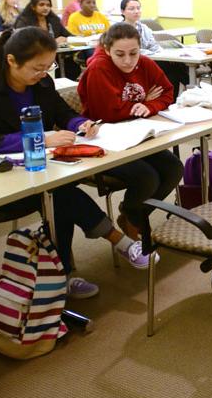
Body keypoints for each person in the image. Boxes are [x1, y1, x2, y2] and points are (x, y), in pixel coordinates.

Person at [0, 27, 158, 298]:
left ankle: (64, 276)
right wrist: (40, 139)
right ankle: (118, 244)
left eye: (49, 66)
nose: (44, 73)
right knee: (60, 194)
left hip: (35, 169)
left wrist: (82, 124)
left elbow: (63, 113)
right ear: (11, 61)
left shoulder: (42, 83)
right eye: (37, 67)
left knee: (58, 191)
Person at [78, 22, 183, 240]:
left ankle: (132, 215)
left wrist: (149, 106)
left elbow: (168, 92)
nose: (128, 61)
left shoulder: (144, 63)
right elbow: (107, 113)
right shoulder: (99, 68)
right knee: (147, 177)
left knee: (174, 169)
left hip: (138, 134)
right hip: (106, 140)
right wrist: (144, 99)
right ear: (107, 50)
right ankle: (136, 218)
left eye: (134, 53)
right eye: (120, 54)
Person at [120, 0, 188, 93]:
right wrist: (152, 54)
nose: (136, 11)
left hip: (151, 58)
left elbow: (154, 45)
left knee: (176, 64)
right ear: (122, 12)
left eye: (138, 8)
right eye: (131, 9)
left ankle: (181, 94)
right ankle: (193, 90)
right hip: (135, 61)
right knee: (171, 67)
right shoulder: (120, 29)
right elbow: (131, 51)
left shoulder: (144, 28)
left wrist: (163, 55)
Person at [13, 0, 78, 79]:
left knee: (73, 67)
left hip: (55, 56)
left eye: (48, 5)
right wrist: (53, 42)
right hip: (33, 56)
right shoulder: (24, 21)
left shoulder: (53, 20)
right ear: (33, 7)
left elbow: (68, 35)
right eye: (41, 5)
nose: (45, 8)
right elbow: (24, 42)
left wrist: (66, 38)